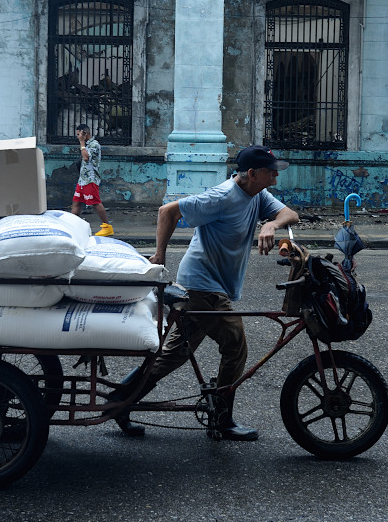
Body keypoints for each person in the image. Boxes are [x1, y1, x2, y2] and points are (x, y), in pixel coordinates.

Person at [111, 145, 299, 441]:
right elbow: (167, 211)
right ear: (252, 173)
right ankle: (221, 420)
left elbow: (291, 215)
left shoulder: (257, 194)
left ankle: (118, 401)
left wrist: (271, 224)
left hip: (211, 285)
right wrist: (160, 256)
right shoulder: (223, 197)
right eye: (270, 171)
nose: (275, 176)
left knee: (173, 355)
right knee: (235, 344)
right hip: (202, 286)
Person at [70, 124, 114, 237]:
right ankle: (72, 226)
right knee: (76, 202)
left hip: (90, 179)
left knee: (95, 203)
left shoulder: (94, 145)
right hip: (82, 179)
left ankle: (107, 227)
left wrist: (82, 143)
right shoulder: (87, 144)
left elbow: (86, 157)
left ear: (85, 133)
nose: (77, 137)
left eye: (79, 134)